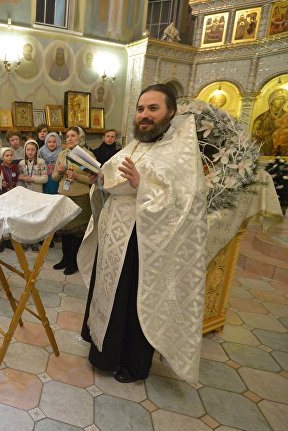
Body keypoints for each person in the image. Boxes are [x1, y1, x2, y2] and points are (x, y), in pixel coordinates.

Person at [80, 83, 207, 385]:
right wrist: (100, 180)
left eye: (153, 108)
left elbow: (185, 202)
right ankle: (103, 351)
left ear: (171, 112)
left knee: (132, 301)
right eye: (140, 109)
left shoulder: (179, 151)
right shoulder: (135, 144)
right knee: (109, 294)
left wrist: (142, 185)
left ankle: (133, 364)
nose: (144, 115)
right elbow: (113, 175)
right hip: (115, 235)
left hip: (144, 242)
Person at [52, 126, 93, 275]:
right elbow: (54, 177)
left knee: (77, 233)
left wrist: (77, 176)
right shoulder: (62, 154)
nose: (69, 138)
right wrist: (59, 172)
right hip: (63, 196)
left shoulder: (87, 155)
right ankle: (65, 259)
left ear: (80, 137)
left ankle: (73, 262)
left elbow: (93, 179)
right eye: (67, 136)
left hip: (80, 197)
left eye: (73, 136)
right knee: (64, 231)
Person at [252, 88, 288, 156]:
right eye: (278, 99)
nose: (280, 101)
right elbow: (255, 136)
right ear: (271, 101)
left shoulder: (286, 116)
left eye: (283, 99)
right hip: (265, 150)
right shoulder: (262, 118)